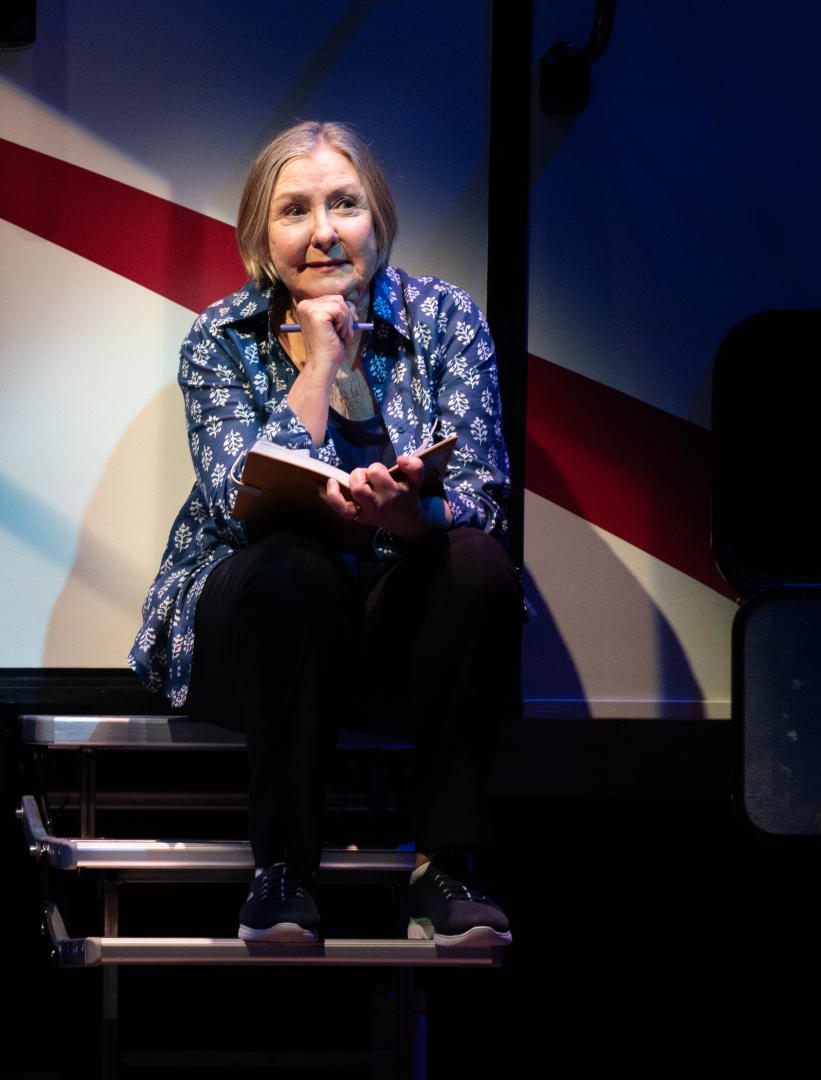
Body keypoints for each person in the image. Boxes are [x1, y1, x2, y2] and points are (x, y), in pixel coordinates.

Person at [127, 121, 520, 947]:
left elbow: (485, 488)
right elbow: (240, 494)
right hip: (261, 619)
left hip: (388, 621)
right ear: (261, 240)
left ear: (376, 218)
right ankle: (283, 872)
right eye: (294, 211)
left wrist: (411, 515)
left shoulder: (447, 319)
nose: (323, 231)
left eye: (344, 204)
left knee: (477, 562)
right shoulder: (221, 336)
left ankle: (446, 867)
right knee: (291, 570)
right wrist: (318, 365)